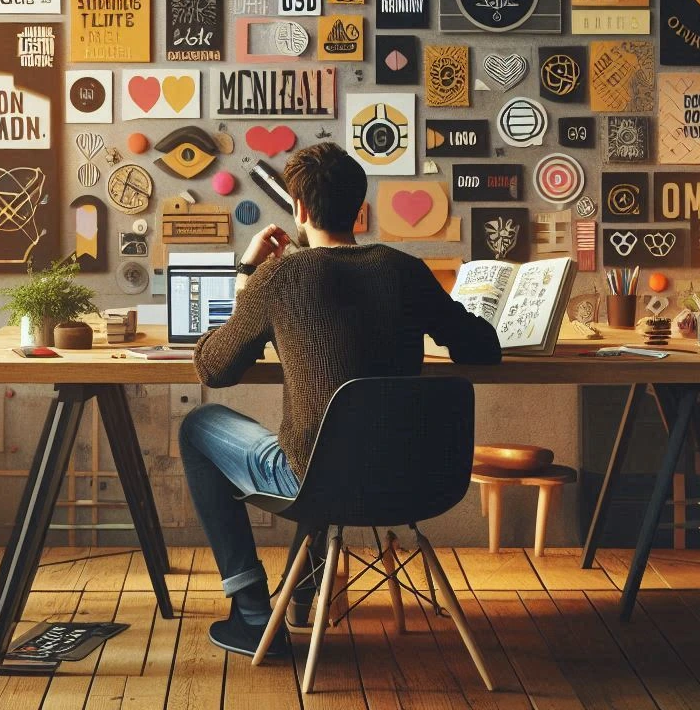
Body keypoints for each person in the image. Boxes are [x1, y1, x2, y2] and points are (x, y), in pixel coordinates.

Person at [181, 141, 502, 656]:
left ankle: (254, 612)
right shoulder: (404, 269)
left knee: (199, 427)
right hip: (411, 477)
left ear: (300, 209)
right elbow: (482, 348)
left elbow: (214, 367)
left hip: (320, 479)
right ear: (360, 208)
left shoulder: (280, 275)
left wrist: (248, 274)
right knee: (333, 442)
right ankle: (302, 597)